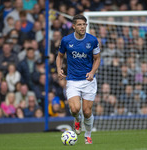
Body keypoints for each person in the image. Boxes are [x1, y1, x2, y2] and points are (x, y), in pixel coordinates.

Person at [56, 14, 100, 144]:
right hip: (73, 80)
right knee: (75, 109)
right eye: (79, 24)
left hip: (88, 80)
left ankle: (88, 135)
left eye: (84, 24)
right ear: (74, 26)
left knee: (87, 112)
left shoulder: (92, 40)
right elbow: (59, 56)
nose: (82, 27)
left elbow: (97, 59)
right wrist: (59, 69)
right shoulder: (66, 40)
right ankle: (76, 120)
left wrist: (92, 72)